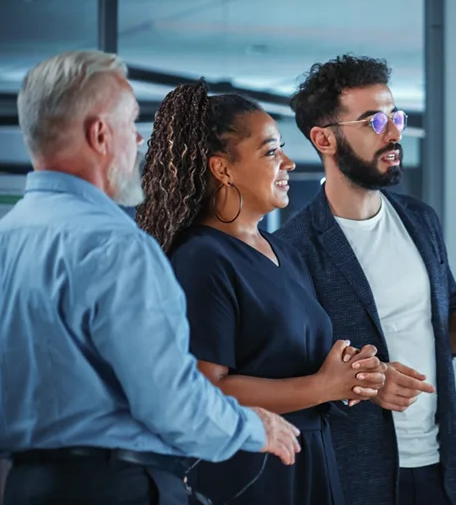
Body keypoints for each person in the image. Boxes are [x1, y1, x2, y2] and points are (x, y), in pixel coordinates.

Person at [0, 51, 301, 505]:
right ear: (100, 134)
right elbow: (170, 401)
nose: (138, 140)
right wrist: (255, 426)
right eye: (131, 123)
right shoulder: (116, 247)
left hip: (23, 488)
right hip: (118, 487)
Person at [275, 54, 456, 505]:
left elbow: (444, 323)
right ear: (324, 139)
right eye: (374, 121)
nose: (394, 132)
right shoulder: (293, 248)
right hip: (353, 474)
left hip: (440, 465)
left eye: (395, 116)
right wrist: (368, 382)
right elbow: (296, 370)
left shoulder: (421, 220)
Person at [134, 81, 389, 505]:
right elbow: (204, 390)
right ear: (223, 169)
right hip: (250, 472)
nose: (288, 162)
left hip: (309, 460)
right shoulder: (200, 260)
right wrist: (322, 386)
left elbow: (295, 362)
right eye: (271, 152)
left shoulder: (283, 252)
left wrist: (354, 376)